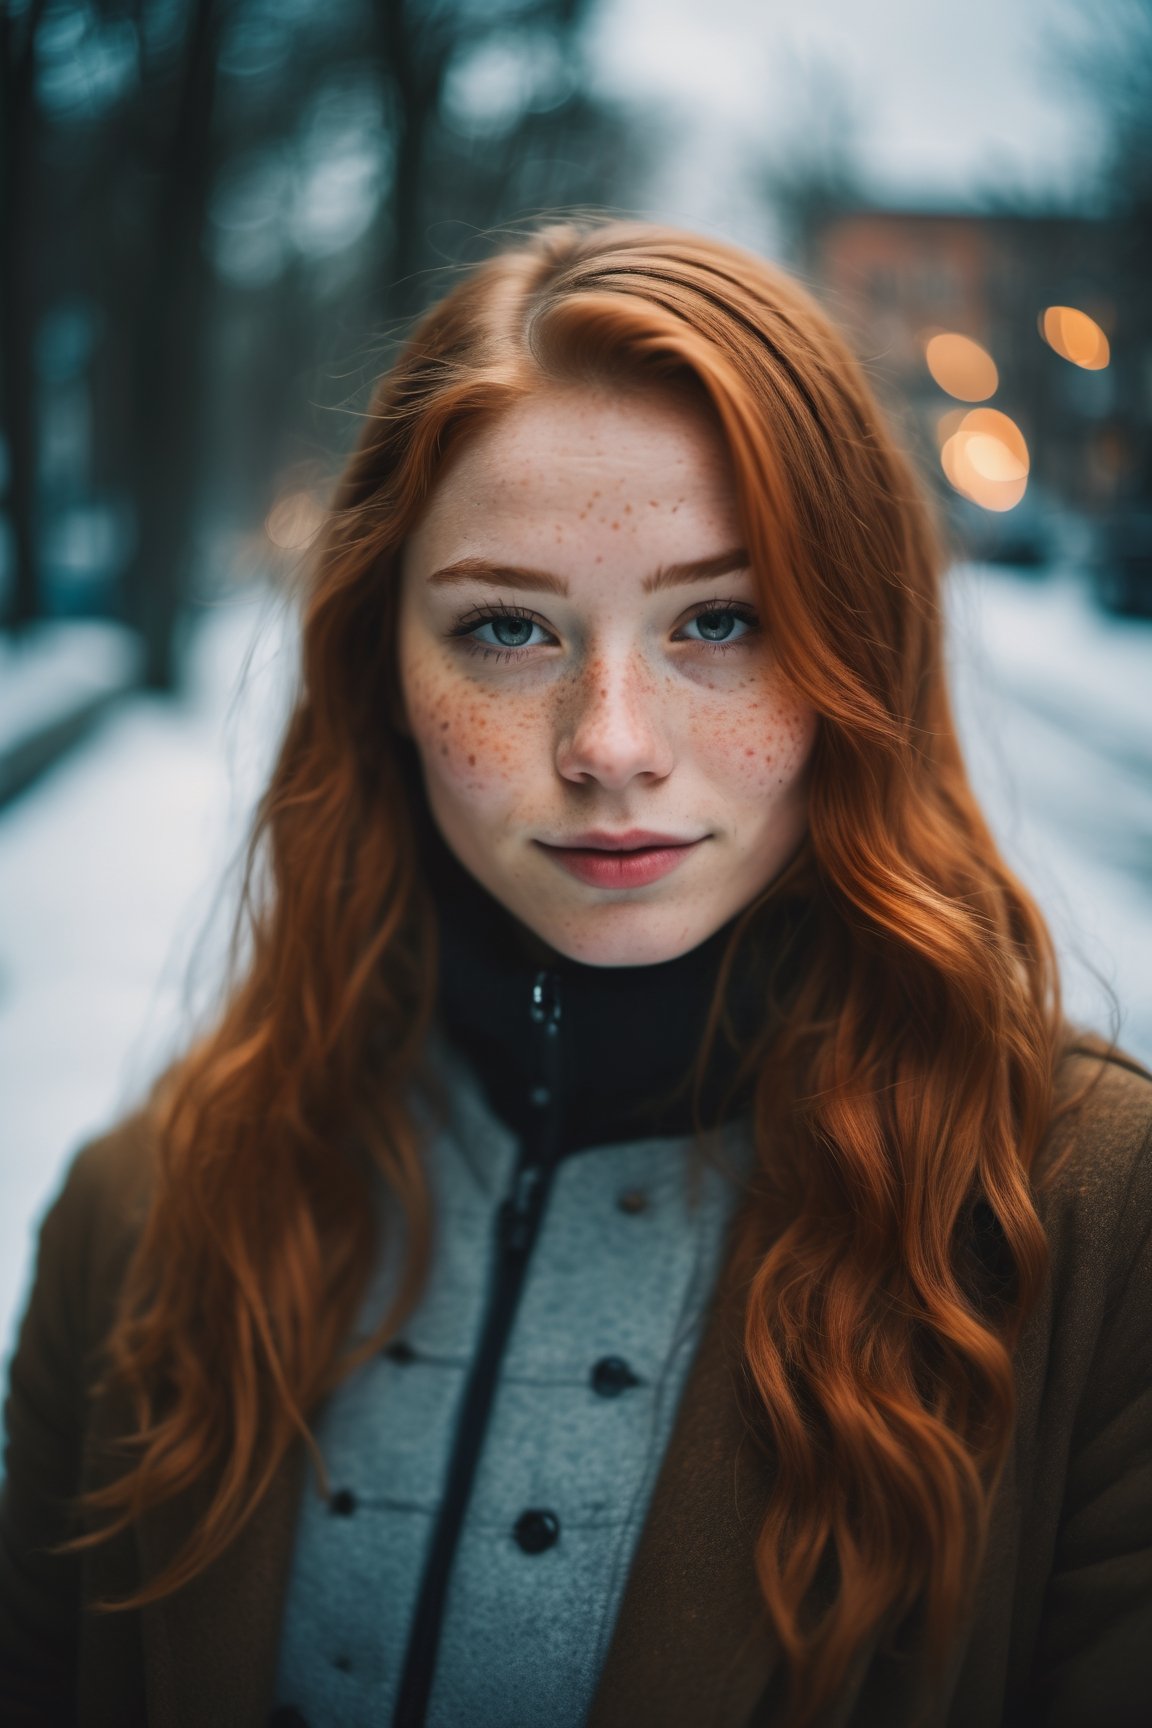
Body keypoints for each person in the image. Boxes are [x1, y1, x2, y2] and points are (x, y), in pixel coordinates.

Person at [1, 220, 1149, 1728]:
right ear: (381, 675)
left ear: (855, 654)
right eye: (506, 628)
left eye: (721, 621)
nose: (611, 743)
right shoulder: (144, 1213)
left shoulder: (1093, 1228)